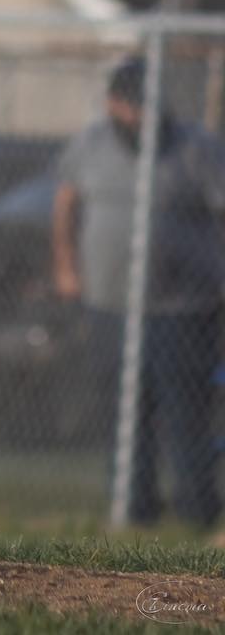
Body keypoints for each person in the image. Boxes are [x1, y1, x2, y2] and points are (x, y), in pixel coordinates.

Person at [52, 56, 225, 527]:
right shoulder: (91, 144)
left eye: (151, 105)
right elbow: (65, 203)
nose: (145, 117)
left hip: (184, 309)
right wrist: (66, 267)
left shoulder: (194, 147)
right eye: (134, 106)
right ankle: (132, 511)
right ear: (114, 105)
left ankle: (198, 514)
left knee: (186, 412)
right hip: (110, 306)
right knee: (122, 415)